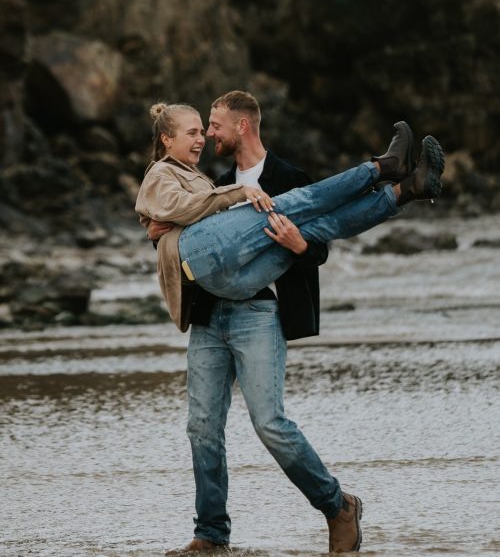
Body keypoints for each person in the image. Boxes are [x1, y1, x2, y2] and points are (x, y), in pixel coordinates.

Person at [136, 93, 445, 553]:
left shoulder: (285, 176)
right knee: (202, 428)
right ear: (170, 140)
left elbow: (320, 247)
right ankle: (210, 535)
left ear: (243, 127)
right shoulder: (212, 182)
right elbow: (186, 225)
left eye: (213, 127)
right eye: (199, 130)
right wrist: (165, 223)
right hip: (209, 315)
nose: (208, 136)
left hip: (258, 311)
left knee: (272, 424)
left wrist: (300, 245)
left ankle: (337, 505)